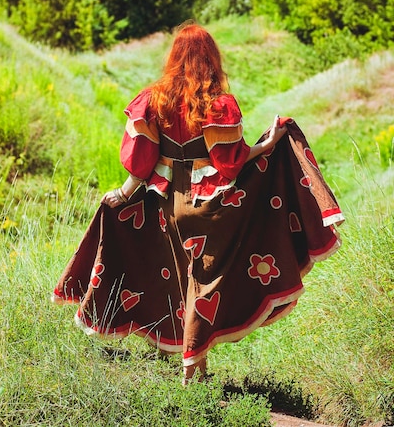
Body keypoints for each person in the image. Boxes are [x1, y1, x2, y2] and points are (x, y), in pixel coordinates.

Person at [53, 21, 344, 385]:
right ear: (211, 59)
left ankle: (195, 366)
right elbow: (230, 162)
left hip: (166, 206)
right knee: (206, 284)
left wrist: (124, 194)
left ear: (174, 58)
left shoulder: (153, 100)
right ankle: (192, 370)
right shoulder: (218, 105)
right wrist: (268, 146)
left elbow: (142, 163)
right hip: (213, 210)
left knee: (178, 282)